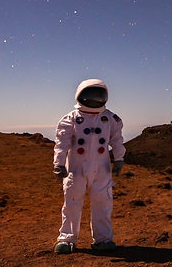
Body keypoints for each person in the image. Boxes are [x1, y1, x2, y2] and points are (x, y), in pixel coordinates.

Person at [52, 78, 125, 254]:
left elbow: (117, 140)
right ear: (80, 95)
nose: (94, 99)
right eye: (90, 95)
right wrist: (59, 163)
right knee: (72, 203)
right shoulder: (71, 119)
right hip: (75, 170)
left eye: (97, 95)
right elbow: (61, 143)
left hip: (101, 169)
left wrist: (119, 157)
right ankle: (67, 239)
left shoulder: (109, 119)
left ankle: (103, 239)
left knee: (103, 204)